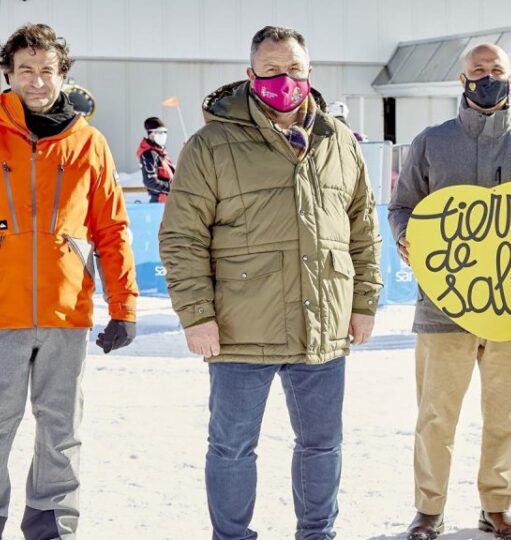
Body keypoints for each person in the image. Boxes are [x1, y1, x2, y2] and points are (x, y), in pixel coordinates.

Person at [158, 25, 382, 540]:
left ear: (310, 72)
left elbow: (362, 229)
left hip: (321, 324)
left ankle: (317, 534)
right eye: (273, 70)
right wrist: (197, 315)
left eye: (295, 69)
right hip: (240, 327)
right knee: (233, 446)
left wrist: (364, 301)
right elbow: (182, 238)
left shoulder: (338, 141)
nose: (285, 79)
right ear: (251, 74)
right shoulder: (211, 144)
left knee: (322, 444)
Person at [0, 23, 138, 540]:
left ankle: (52, 528)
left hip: (68, 316)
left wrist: (124, 308)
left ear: (63, 74)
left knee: (61, 434)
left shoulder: (89, 144)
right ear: (8, 74)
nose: (37, 80)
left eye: (47, 71)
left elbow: (111, 227)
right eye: (26, 70)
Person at [387, 43, 511, 540]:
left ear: (510, 79)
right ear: (462, 80)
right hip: (442, 306)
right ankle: (429, 508)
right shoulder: (431, 143)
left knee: (505, 413)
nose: (488, 78)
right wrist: (408, 237)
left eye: (497, 71)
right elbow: (402, 205)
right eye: (479, 71)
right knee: (435, 415)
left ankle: (497, 505)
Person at [137, 116, 174, 202]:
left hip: (170, 201)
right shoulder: (148, 154)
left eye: (165, 132)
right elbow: (150, 181)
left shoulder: (161, 153)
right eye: (160, 132)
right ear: (151, 134)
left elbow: (172, 175)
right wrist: (172, 187)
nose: (164, 135)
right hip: (159, 202)